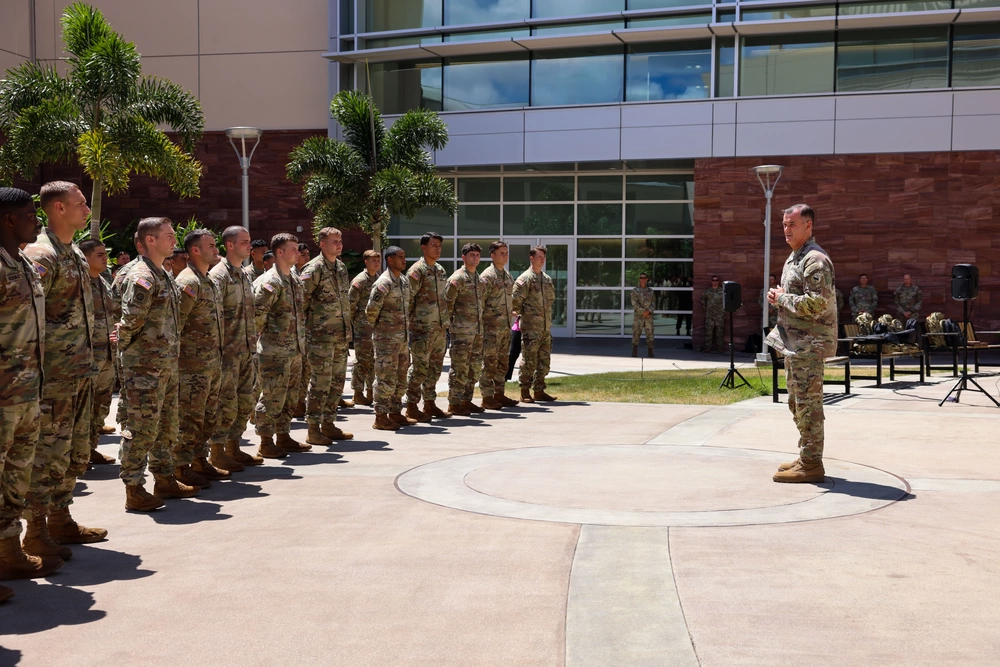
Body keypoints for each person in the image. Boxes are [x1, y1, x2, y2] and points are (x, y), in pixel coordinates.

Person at [22, 181, 106, 557]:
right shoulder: (42, 255)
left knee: (71, 451)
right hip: (53, 375)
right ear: (58, 209)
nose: (86, 210)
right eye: (80, 204)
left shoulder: (71, 252)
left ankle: (60, 519)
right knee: (46, 454)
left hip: (77, 371)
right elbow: (27, 315)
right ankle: (35, 531)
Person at [0, 188, 64, 594]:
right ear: (7, 220)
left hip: (26, 391)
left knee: (15, 478)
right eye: (28, 214)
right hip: (3, 393)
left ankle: (8, 552)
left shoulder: (22, 262)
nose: (37, 220)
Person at [116, 217, 198, 509]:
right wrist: (125, 345)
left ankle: (163, 478)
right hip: (144, 366)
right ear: (150, 240)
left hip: (165, 364)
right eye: (169, 235)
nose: (174, 239)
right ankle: (133, 487)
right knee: (141, 427)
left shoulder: (161, 273)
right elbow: (130, 319)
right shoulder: (143, 275)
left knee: (166, 426)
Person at [766, 204, 837, 484]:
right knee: (797, 403)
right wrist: (781, 296)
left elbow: (818, 303)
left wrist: (783, 298)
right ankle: (806, 455)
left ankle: (811, 465)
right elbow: (798, 297)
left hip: (809, 346)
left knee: (808, 405)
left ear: (808, 225)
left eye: (791, 224)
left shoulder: (814, 260)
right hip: (795, 343)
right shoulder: (796, 257)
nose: (786, 229)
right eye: (784, 224)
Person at [174, 229, 237, 490]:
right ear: (195, 251)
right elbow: (177, 324)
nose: (216, 250)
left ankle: (199, 461)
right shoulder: (188, 282)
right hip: (191, 366)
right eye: (211, 246)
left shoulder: (207, 280)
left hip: (211, 363)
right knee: (189, 419)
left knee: (206, 418)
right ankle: (179, 467)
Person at [209, 226, 263, 468]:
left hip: (247, 350)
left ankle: (234, 446)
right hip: (227, 353)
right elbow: (212, 315)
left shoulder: (243, 274)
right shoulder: (219, 276)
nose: (249, 245)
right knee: (226, 404)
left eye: (249, 241)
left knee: (244, 402)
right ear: (230, 245)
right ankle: (217, 452)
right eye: (244, 241)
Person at [253, 233, 309, 457]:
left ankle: (283, 436)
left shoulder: (294, 279)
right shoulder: (270, 282)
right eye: (293, 249)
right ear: (280, 253)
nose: (298, 253)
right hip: (274, 351)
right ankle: (266, 441)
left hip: (294, 350)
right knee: (272, 397)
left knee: (290, 397)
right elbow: (257, 316)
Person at [300, 227, 354, 445]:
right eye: (334, 241)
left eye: (340, 240)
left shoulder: (340, 267)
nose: (339, 244)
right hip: (319, 337)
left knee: (337, 382)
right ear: (322, 244)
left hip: (340, 336)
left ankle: (329, 424)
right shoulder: (313, 269)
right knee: (320, 383)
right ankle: (313, 428)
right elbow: (301, 302)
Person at [405, 232, 450, 422]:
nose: (438, 249)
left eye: (439, 245)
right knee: (419, 369)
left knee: (435, 368)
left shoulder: (439, 270)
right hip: (422, 329)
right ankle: (411, 406)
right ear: (424, 248)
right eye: (434, 245)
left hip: (439, 329)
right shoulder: (416, 271)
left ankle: (429, 403)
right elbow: (407, 300)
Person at [78, 240, 116, 465]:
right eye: (100, 254)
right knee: (82, 408)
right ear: (85, 258)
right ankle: (77, 454)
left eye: (105, 254)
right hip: (87, 357)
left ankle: (90, 448)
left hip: (107, 356)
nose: (105, 258)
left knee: (100, 406)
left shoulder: (103, 282)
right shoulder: (78, 284)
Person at [366, 247, 412, 430]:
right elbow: (371, 311)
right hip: (386, 339)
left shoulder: (404, 281)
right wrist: (383, 329)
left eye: (404, 257)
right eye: (400, 257)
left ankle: (395, 412)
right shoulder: (383, 282)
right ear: (390, 260)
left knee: (401, 377)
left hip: (402, 339)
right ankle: (380, 417)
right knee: (385, 377)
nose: (404, 260)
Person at [511, 245, 557, 403]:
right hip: (531, 328)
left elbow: (551, 299)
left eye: (543, 257)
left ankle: (539, 390)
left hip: (545, 328)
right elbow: (515, 302)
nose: (542, 260)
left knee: (544, 361)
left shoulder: (546, 279)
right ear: (531, 258)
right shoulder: (525, 279)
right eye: (539, 257)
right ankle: (525, 391)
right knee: (529, 360)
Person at [444, 243, 485, 416]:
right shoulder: (457, 278)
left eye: (477, 255)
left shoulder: (478, 279)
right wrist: (450, 325)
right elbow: (447, 304)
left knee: (474, 367)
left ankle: (466, 400)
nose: (475, 258)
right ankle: (454, 402)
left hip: (476, 331)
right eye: (472, 255)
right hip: (461, 332)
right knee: (460, 368)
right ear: (464, 257)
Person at [479, 241, 517, 410]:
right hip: (490, 328)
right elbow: (480, 302)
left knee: (503, 362)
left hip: (505, 327)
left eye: (506, 252)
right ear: (492, 255)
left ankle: (499, 394)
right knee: (489, 363)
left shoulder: (507, 276)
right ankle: (487, 397)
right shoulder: (488, 276)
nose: (505, 256)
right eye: (501, 253)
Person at [348, 250, 381, 406]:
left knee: (373, 360)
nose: (376, 263)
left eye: (378, 260)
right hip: (362, 327)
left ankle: (370, 391)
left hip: (375, 327)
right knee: (362, 360)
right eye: (373, 260)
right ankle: (357, 392)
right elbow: (350, 305)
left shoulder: (379, 279)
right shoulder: (360, 281)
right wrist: (355, 323)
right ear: (366, 262)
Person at [630, 272, 655, 358]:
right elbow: (634, 303)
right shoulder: (635, 291)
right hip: (639, 316)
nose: (643, 279)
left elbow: (654, 303)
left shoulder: (651, 291)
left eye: (644, 278)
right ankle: (634, 350)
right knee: (636, 333)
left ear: (647, 279)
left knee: (650, 334)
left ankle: (650, 351)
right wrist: (643, 311)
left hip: (648, 316)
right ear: (639, 279)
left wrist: (648, 311)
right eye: (641, 278)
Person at [701, 275, 724, 352]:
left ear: (718, 281)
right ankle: (707, 348)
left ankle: (720, 348)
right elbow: (703, 301)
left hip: (719, 316)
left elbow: (725, 302)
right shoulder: (707, 292)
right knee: (708, 333)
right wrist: (707, 309)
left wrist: (722, 311)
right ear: (711, 281)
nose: (715, 282)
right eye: (713, 280)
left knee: (719, 333)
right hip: (710, 316)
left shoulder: (722, 291)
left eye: (716, 280)